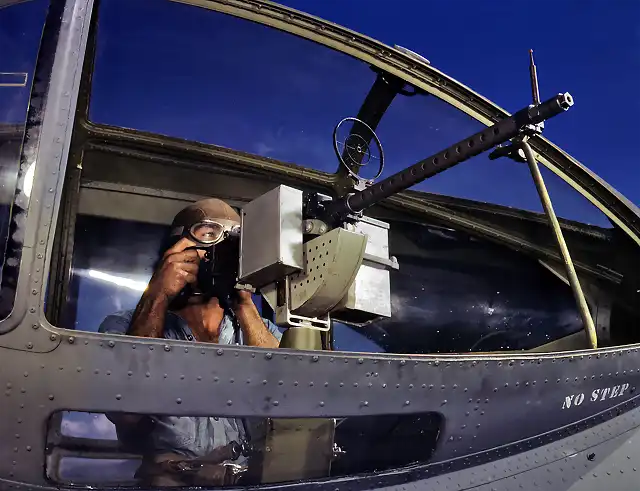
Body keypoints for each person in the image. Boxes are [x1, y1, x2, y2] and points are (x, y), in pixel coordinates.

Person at [98, 198, 282, 486]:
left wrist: (243, 300)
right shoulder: (123, 326)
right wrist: (158, 294)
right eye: (208, 237)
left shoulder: (260, 329)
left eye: (231, 245)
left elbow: (287, 399)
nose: (216, 255)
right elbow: (126, 412)